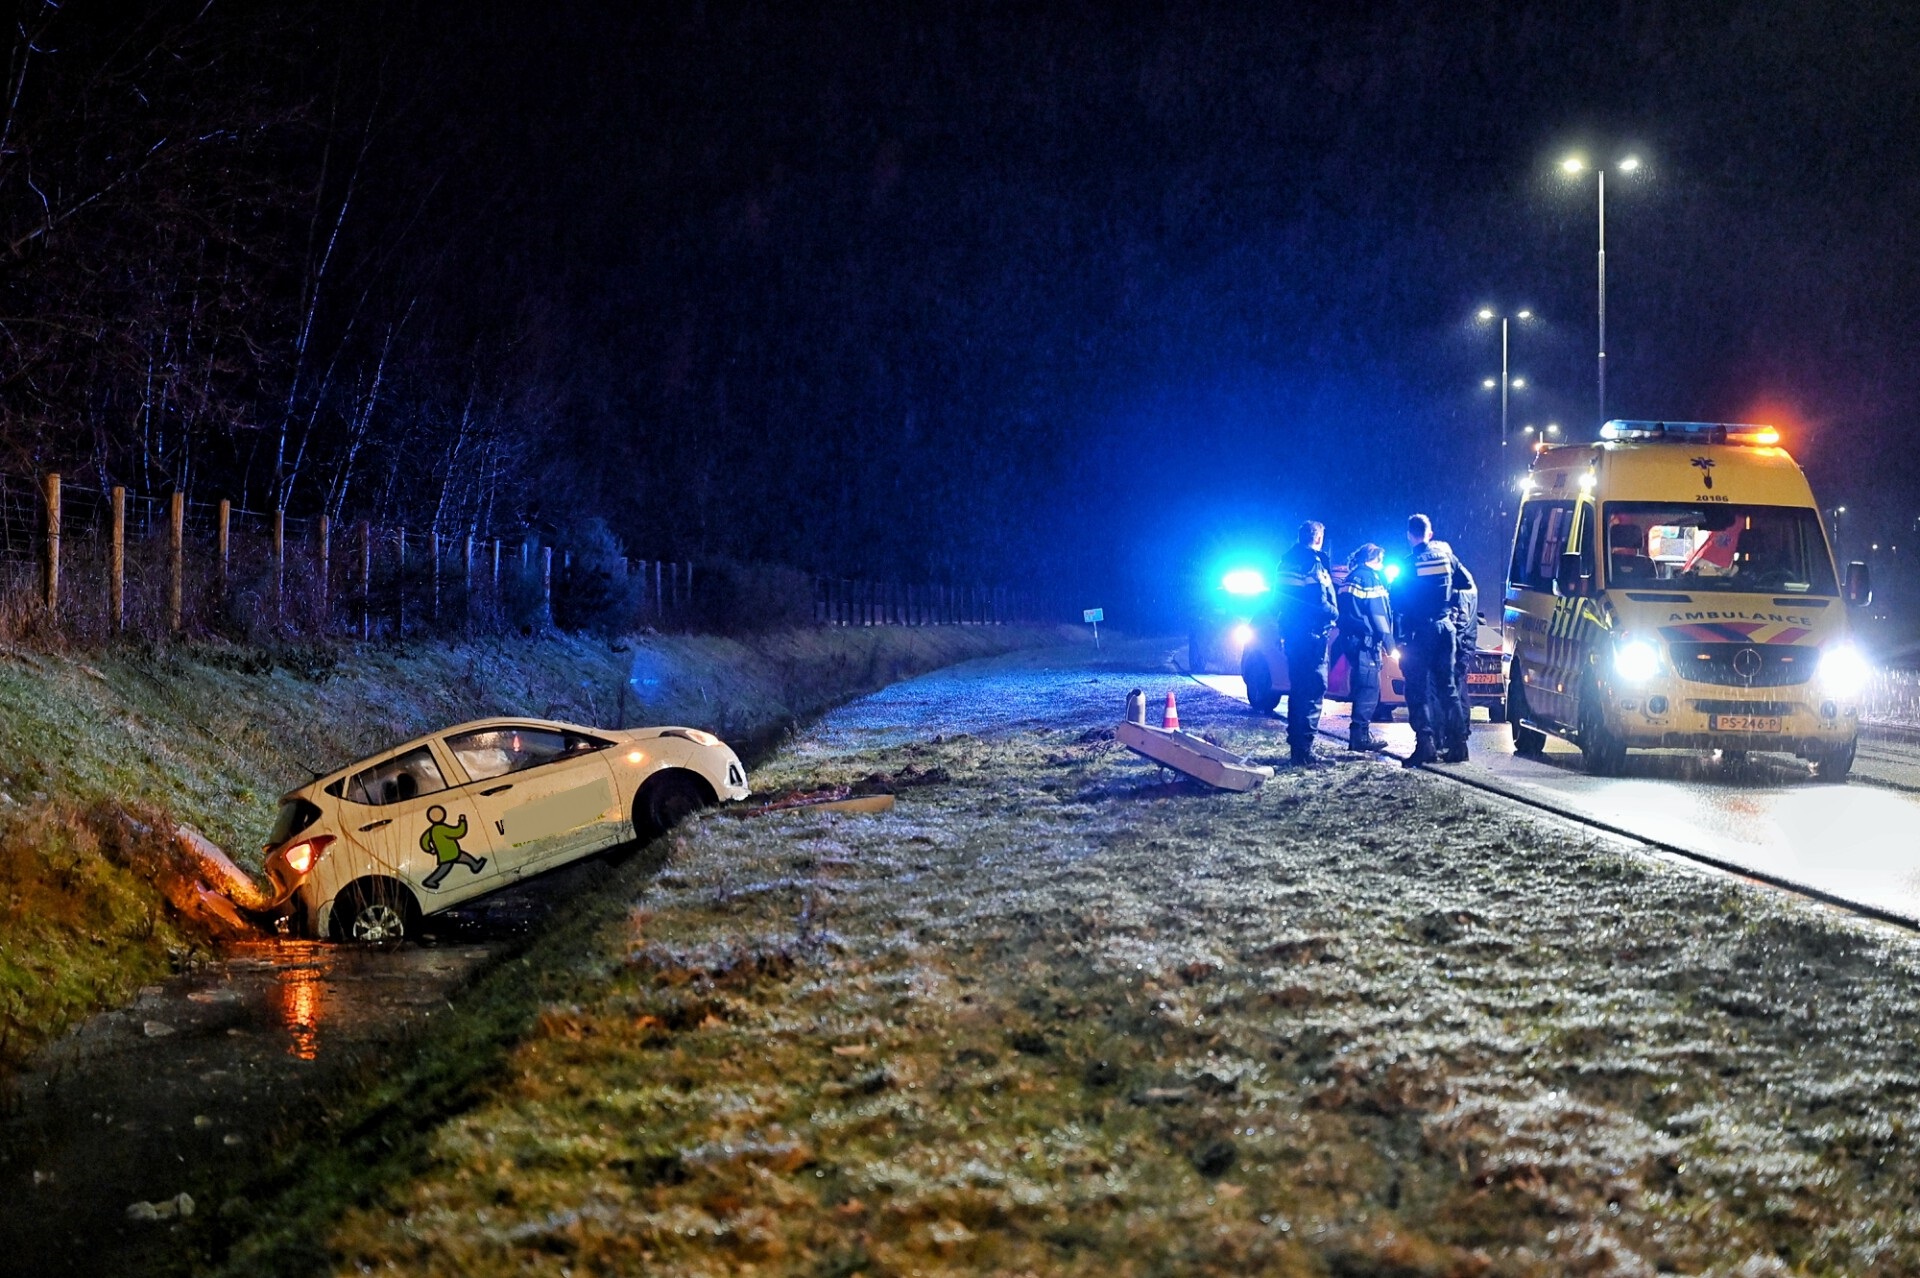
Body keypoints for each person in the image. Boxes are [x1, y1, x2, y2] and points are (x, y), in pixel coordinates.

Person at [1392, 513, 1473, 767]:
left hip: (1421, 632)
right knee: (1448, 688)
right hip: (1446, 629)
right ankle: (1459, 745)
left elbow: (1397, 601)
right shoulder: (1446, 556)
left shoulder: (1408, 565)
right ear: (1430, 533)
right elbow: (1466, 583)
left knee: (1417, 690)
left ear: (1409, 536)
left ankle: (1426, 745)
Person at [1275, 520, 1339, 766]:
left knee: (1298, 689)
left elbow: (1279, 600)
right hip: (1312, 636)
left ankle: (1297, 748)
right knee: (1312, 690)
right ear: (1318, 538)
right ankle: (1305, 751)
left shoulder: (1285, 563)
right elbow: (1319, 601)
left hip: (1293, 635)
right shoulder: (1313, 563)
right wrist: (1335, 613)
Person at [1336, 543, 1393, 751]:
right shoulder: (1370, 579)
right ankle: (1360, 737)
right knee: (1369, 688)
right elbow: (1379, 615)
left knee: (1361, 685)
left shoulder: (1350, 577)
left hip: (1351, 640)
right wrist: (1389, 643)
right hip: (1365, 642)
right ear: (1375, 558)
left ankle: (1359, 736)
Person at [1445, 558, 1480, 762]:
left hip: (1458, 646)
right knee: (1460, 689)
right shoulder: (1469, 587)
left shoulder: (1457, 593)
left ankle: (1458, 736)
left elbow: (1458, 621)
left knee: (1454, 691)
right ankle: (1461, 733)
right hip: (1466, 645)